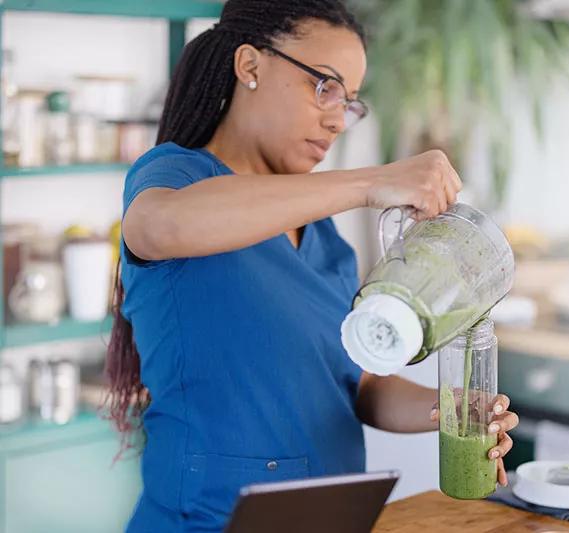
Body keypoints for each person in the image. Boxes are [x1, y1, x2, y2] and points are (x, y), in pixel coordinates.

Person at [105, 1, 519, 531]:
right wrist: (370, 183)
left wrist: (449, 410)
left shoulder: (323, 237)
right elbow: (158, 226)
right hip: (206, 520)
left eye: (349, 102)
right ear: (250, 66)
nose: (336, 118)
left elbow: (358, 385)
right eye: (323, 85)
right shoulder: (174, 177)